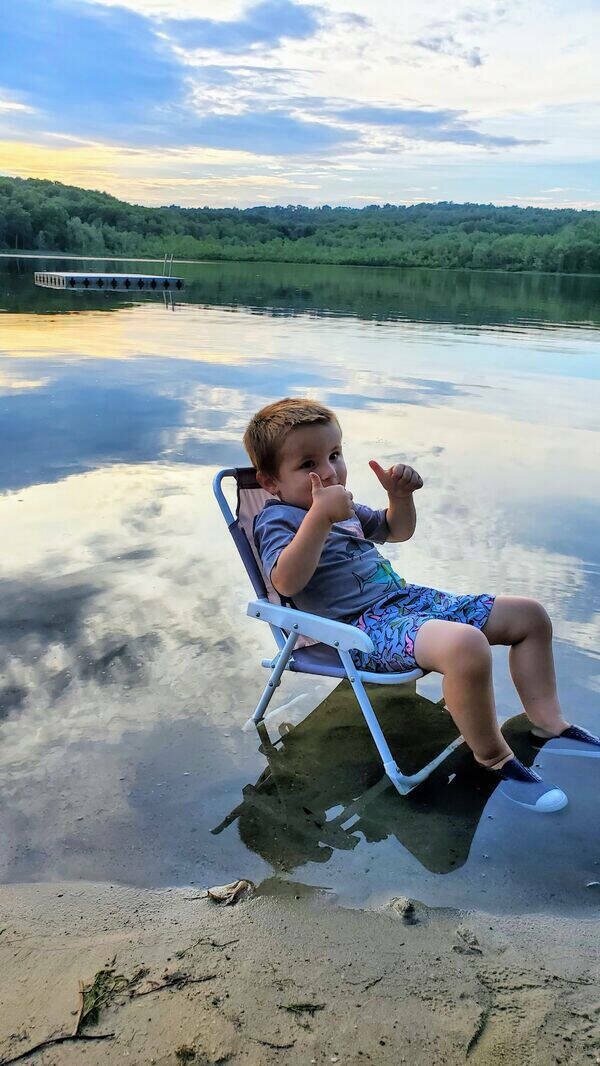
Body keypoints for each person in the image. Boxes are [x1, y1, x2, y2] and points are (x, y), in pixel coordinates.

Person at [243, 397, 600, 813]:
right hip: (357, 630)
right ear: (270, 482)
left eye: (335, 455)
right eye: (308, 464)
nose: (329, 471)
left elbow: (397, 531)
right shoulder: (277, 519)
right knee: (465, 646)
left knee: (529, 615)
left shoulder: (342, 505)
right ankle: (493, 759)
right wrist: (319, 518)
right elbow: (286, 581)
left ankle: (548, 721)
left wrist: (400, 497)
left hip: (406, 601)